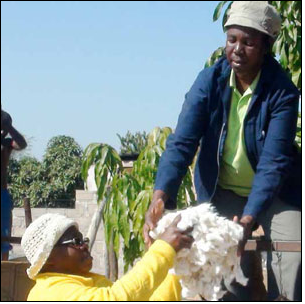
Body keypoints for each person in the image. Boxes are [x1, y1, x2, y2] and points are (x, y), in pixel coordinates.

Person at [143, 1, 301, 301]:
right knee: (223, 262)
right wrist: (159, 198)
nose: (238, 49)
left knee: (292, 255)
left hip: (278, 193)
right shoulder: (209, 82)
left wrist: (247, 221)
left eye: (249, 42)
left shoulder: (283, 92)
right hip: (223, 190)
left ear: (266, 46)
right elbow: (182, 143)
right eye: (232, 40)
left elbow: (273, 164)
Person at [21, 213, 193, 301]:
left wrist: (174, 266)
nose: (85, 245)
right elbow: (115, 299)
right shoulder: (50, 294)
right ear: (49, 258)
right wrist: (163, 249)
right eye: (76, 241)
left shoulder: (85, 282)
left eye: (83, 239)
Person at [1, 108, 27, 260]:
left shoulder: (6, 144)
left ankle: (3, 270)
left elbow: (21, 144)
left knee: (3, 236)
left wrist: (9, 127)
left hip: (2, 195)